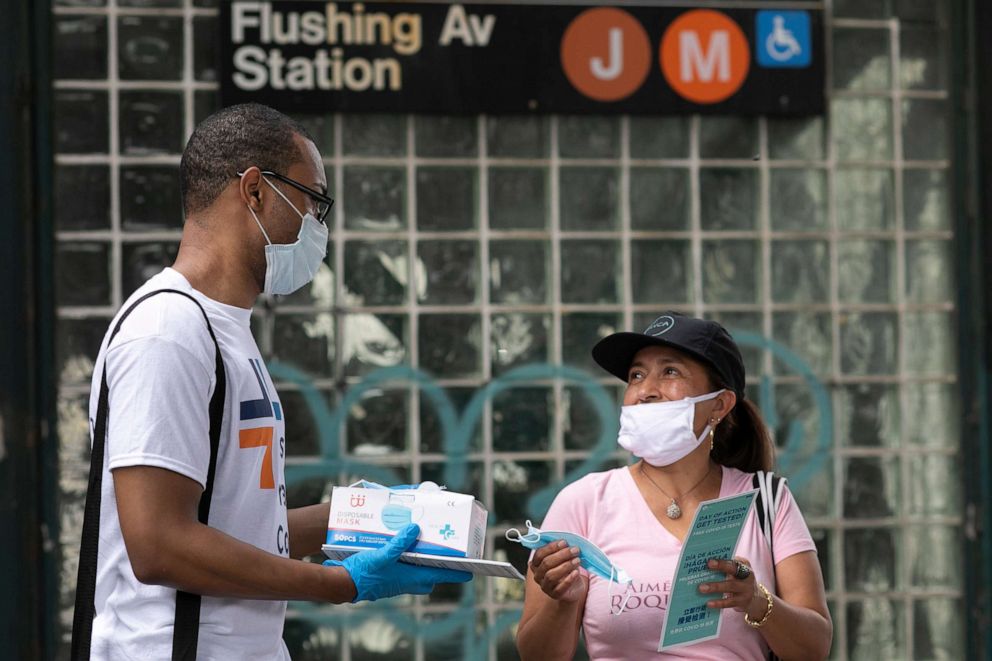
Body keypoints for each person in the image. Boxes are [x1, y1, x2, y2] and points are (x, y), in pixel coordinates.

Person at [71, 103, 470, 661]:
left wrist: (358, 518)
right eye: (314, 201)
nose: (318, 225)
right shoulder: (168, 331)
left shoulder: (225, 329)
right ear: (255, 191)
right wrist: (338, 584)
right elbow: (159, 543)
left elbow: (232, 525)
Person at [515, 313, 831, 660]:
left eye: (670, 372)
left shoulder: (767, 500)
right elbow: (536, 655)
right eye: (637, 375)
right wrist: (564, 602)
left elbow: (814, 647)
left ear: (720, 405)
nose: (646, 391)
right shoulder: (584, 501)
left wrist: (756, 601)